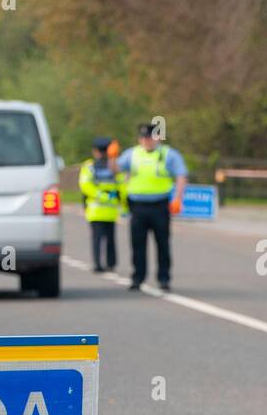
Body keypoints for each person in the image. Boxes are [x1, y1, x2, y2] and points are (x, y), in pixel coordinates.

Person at [118, 122, 187, 291]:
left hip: (160, 206)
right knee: (137, 245)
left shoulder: (168, 154)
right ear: (139, 139)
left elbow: (181, 175)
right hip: (138, 206)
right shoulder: (131, 154)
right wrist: (112, 157)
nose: (147, 141)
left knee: (162, 244)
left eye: (150, 138)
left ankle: (164, 278)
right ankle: (137, 277)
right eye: (143, 138)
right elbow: (115, 170)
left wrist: (178, 198)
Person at [78, 137, 125, 272]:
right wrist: (116, 199)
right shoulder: (114, 166)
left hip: (96, 209)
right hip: (108, 209)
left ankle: (98, 264)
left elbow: (85, 185)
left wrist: (101, 196)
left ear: (95, 151)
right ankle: (110, 264)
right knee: (109, 239)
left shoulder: (90, 167)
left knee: (98, 239)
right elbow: (121, 186)